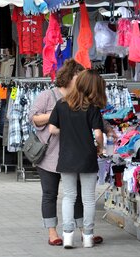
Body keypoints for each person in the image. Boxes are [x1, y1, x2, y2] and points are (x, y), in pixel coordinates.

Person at [29, 59, 88, 246]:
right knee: (50, 193)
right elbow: (34, 118)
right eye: (79, 78)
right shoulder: (48, 96)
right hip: (49, 155)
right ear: (70, 77)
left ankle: (84, 229)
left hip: (73, 155)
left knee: (77, 193)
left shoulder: (81, 98)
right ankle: (52, 232)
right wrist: (57, 114)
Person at [49, 69, 107, 249]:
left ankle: (67, 236)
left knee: (69, 197)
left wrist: (66, 133)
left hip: (66, 156)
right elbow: (98, 133)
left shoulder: (61, 104)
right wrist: (100, 146)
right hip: (87, 156)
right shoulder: (92, 107)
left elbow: (52, 129)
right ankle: (88, 237)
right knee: (88, 198)